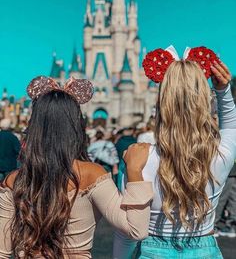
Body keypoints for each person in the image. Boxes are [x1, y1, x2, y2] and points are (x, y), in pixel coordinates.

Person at [0, 76, 153, 259]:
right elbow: (136, 230)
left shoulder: (14, 180)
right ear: (76, 125)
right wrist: (134, 172)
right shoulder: (91, 174)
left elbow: (3, 250)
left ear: (34, 126)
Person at [113, 47, 235, 258]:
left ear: (161, 103)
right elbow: (230, 125)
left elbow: (128, 233)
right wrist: (223, 91)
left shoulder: (138, 159)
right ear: (204, 103)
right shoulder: (221, 155)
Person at [215, 162, 236, 237]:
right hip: (232, 170)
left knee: (221, 198)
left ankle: (214, 226)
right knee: (232, 198)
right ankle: (231, 225)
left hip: (227, 169)